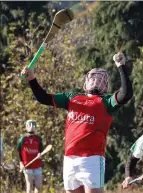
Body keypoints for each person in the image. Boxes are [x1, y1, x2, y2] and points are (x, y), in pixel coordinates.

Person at [21, 52, 133, 193]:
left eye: (100, 79)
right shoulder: (72, 97)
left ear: (106, 85)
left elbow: (126, 93)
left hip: (92, 159)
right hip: (69, 158)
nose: (96, 81)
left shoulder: (107, 102)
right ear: (86, 81)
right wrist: (31, 78)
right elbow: (44, 98)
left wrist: (120, 66)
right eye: (93, 78)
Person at [17, 120, 44, 193]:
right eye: (29, 125)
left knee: (38, 186)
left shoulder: (38, 138)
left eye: (33, 125)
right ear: (26, 127)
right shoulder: (23, 139)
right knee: (29, 186)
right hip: (27, 166)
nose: (32, 127)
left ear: (36, 128)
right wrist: (21, 163)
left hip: (37, 165)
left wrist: (40, 154)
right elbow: (18, 151)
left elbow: (41, 150)